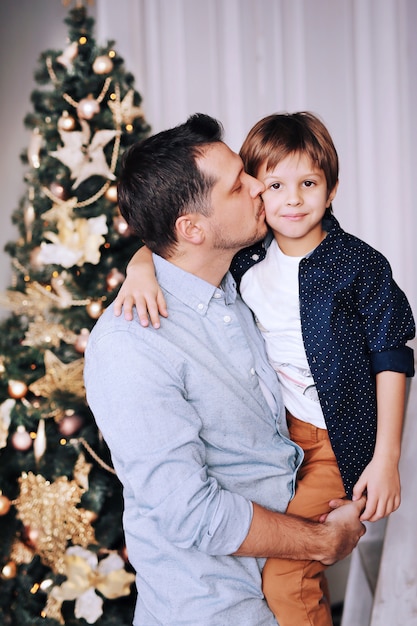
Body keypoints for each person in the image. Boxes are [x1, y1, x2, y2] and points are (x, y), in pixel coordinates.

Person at [113, 112, 415, 626]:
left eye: (306, 183)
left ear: (331, 188)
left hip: (330, 447)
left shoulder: (330, 266)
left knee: (291, 579)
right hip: (225, 579)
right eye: (257, 184)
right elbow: (175, 243)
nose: (277, 195)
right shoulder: (227, 273)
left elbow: (393, 350)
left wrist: (385, 457)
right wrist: (139, 266)